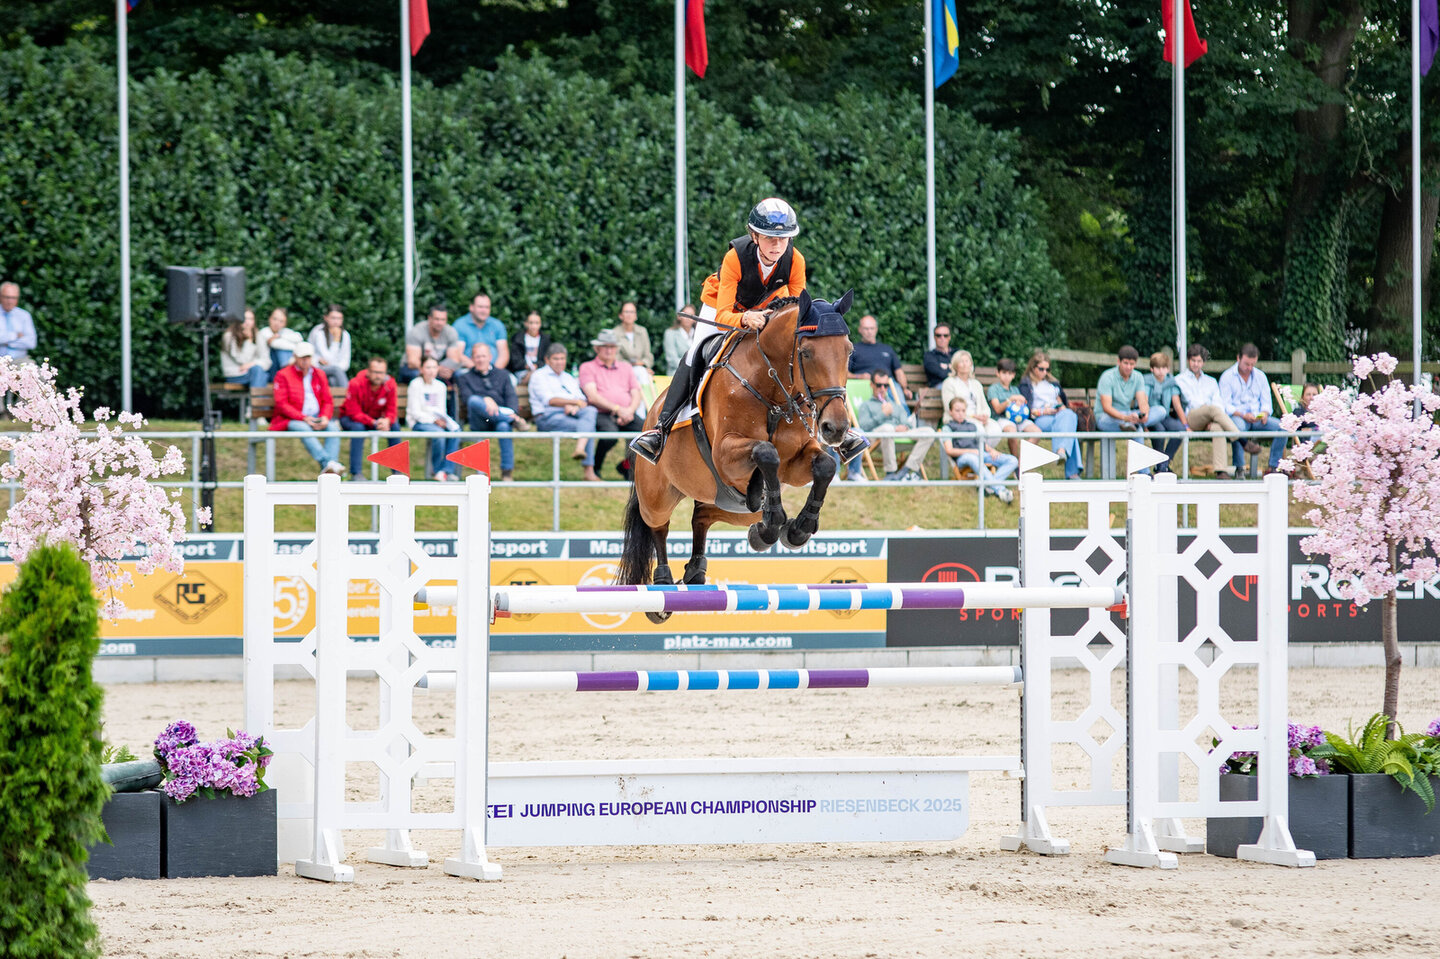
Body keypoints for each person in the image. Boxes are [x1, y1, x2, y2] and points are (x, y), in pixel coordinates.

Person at [630, 198, 866, 466]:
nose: (777, 245)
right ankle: (660, 430)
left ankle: (834, 432)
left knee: (797, 356)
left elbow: (797, 309)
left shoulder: (795, 259)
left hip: (766, 308)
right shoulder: (735, 257)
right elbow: (722, 317)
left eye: (784, 238)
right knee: (696, 352)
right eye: (769, 238)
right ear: (755, 235)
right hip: (720, 305)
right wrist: (745, 319)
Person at [529, 343, 603, 481]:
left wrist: (575, 407)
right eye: (556, 359)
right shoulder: (539, 376)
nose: (560, 362)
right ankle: (588, 471)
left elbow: (582, 400)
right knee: (588, 427)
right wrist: (572, 403)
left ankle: (580, 448)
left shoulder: (568, 377)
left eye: (562, 358)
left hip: (571, 414)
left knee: (590, 411)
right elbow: (549, 400)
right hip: (547, 418)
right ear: (547, 359)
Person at [270, 342, 343, 477]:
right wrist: (303, 417)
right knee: (303, 427)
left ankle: (329, 469)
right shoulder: (283, 375)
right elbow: (282, 404)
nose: (305, 360)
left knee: (333, 428)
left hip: (315, 417)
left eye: (308, 357)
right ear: (295, 357)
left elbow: (327, 400)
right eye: (302, 357)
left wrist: (325, 417)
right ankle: (328, 463)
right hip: (290, 419)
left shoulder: (319, 374)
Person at [579, 330, 641, 480]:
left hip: (627, 412)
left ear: (616, 348)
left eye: (612, 346)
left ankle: (626, 467)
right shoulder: (587, 367)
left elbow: (636, 392)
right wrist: (618, 410)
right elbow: (592, 396)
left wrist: (629, 411)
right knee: (609, 436)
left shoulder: (626, 367)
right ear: (597, 348)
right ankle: (596, 467)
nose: (609, 350)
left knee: (645, 433)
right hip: (601, 412)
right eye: (605, 346)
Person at [1220, 343, 1288, 476]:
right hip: (1238, 417)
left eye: (1252, 364)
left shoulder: (1260, 376)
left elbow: (1267, 402)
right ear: (1238, 358)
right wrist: (1242, 415)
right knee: (1236, 428)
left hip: (1258, 418)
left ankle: (1274, 467)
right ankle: (1239, 468)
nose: (1249, 368)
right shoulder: (1227, 377)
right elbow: (1225, 405)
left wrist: (1264, 414)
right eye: (1246, 364)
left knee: (1283, 426)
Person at [456, 342, 521, 481]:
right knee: (474, 400)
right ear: (472, 358)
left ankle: (506, 472)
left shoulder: (503, 375)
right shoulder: (464, 378)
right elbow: (467, 399)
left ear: (490, 357)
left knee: (504, 427)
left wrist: (513, 411)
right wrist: (486, 399)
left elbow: (511, 397)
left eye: (483, 356)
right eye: (477, 356)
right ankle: (510, 419)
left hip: (498, 422)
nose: (480, 360)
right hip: (479, 421)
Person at [1173, 344, 1241, 478]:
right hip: (1191, 419)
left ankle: (1221, 471)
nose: (1195, 364)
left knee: (1217, 427)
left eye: (1199, 361)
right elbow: (1193, 402)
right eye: (1193, 361)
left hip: (1211, 418)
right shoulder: (1180, 380)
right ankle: (1240, 439)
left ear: (1203, 362)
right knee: (1210, 408)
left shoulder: (1211, 381)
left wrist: (1211, 417)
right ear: (1188, 360)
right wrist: (1210, 413)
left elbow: (1219, 403)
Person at [855, 370, 936, 482]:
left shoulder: (894, 405)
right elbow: (864, 427)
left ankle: (906, 470)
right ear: (872, 385)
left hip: (900, 435)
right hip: (877, 438)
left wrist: (904, 427)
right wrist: (883, 414)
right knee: (887, 428)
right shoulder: (866, 405)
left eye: (886, 385)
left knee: (929, 432)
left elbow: (907, 422)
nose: (883, 389)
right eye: (879, 385)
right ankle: (891, 472)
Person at [1017, 350, 1082, 480]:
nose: (1044, 372)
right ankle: (1072, 473)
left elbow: (1063, 402)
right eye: (1041, 369)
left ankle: (1061, 451)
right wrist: (1043, 411)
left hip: (1058, 415)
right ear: (1033, 367)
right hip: (1040, 418)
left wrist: (1060, 407)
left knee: (1068, 415)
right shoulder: (1026, 384)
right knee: (1069, 427)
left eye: (1047, 369)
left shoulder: (1053, 383)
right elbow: (1027, 409)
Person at [940, 396, 1017, 502]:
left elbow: (982, 444)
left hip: (981, 453)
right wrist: (970, 451)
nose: (960, 413)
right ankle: (1001, 490)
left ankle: (988, 486)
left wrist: (992, 451)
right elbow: (949, 450)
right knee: (973, 458)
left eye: (963, 410)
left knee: (1012, 460)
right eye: (957, 410)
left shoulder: (972, 425)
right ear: (950, 411)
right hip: (964, 458)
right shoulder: (947, 428)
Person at [339, 357, 400, 480]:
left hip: (376, 419)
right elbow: (353, 412)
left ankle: (397, 473)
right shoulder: (355, 383)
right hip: (350, 418)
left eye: (381, 373)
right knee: (358, 427)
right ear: (368, 372)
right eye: (375, 372)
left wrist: (387, 420)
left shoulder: (390, 385)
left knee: (395, 426)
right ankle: (356, 473)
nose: (378, 376)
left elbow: (392, 410)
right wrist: (373, 422)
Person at [942, 350, 1016, 444]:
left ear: (971, 364)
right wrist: (974, 416)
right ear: (956, 365)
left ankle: (983, 454)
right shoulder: (949, 383)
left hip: (979, 418)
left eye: (967, 361)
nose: (965, 364)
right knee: (979, 429)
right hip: (962, 418)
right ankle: (978, 454)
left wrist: (985, 416)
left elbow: (984, 406)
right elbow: (950, 407)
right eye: (961, 361)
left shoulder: (976, 384)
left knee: (995, 429)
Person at [407, 356, 461, 481]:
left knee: (456, 432)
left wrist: (443, 421)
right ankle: (436, 470)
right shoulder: (415, 384)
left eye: (434, 367)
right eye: (428, 367)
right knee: (439, 434)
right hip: (418, 422)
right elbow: (415, 412)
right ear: (421, 369)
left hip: (437, 421)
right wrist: (433, 421)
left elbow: (441, 410)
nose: (431, 371)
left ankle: (446, 470)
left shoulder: (441, 386)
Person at [849, 314, 913, 408]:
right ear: (860, 330)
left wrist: (905, 388)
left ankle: (905, 421)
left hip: (888, 385)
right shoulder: (853, 349)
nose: (869, 332)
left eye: (872, 328)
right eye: (866, 328)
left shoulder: (887, 349)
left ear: (876, 329)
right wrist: (859, 376)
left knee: (899, 404)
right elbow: (844, 373)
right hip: (865, 385)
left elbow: (898, 371)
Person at [1096, 346, 1164, 433]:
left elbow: (1142, 401)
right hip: (1106, 417)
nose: (1128, 367)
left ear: (1135, 364)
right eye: (1125, 363)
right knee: (1138, 430)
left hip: (1129, 415)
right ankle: (1133, 425)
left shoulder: (1138, 376)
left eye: (1132, 364)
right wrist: (1125, 418)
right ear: (1119, 362)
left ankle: (1134, 424)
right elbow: (1106, 407)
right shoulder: (1107, 377)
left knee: (1160, 411)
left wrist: (1144, 414)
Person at [985, 357, 1043, 456]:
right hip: (1001, 419)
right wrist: (1010, 400)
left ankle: (1022, 458)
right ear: (998, 373)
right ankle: (1015, 462)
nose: (1007, 376)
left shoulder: (1015, 389)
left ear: (1013, 375)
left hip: (1018, 419)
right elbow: (997, 409)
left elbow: (1023, 406)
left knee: (1037, 432)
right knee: (1012, 431)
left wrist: (1021, 403)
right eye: (1004, 373)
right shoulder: (993, 389)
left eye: (1010, 373)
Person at [401, 303, 464, 386]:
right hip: (414, 369)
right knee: (416, 375)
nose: (440, 323)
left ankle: (451, 399)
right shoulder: (417, 331)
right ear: (429, 318)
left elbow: (454, 359)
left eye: (443, 320)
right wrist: (433, 369)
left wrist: (442, 370)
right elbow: (413, 362)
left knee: (458, 375)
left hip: (437, 369)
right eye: (437, 319)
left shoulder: (450, 332)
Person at [1143, 352, 1185, 472]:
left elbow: (1176, 404)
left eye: (1164, 368)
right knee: (1159, 430)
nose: (1161, 371)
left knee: (1180, 429)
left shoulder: (1171, 382)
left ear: (1168, 369)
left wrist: (1185, 424)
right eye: (1157, 368)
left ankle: (1164, 462)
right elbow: (1144, 401)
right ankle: (1159, 465)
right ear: (1152, 369)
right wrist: (1145, 421)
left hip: (1165, 416)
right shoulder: (1147, 381)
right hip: (1150, 416)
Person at [454, 294, 509, 371]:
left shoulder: (497, 325)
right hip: (468, 370)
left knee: (512, 380)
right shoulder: (460, 325)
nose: (484, 310)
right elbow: (457, 354)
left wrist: (494, 372)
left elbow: (503, 354)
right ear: (471, 307)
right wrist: (478, 370)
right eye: (480, 307)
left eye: (487, 307)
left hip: (494, 370)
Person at [219, 309, 269, 389]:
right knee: (260, 373)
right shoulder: (229, 336)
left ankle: (257, 400)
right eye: (245, 318)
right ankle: (258, 400)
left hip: (253, 372)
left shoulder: (258, 335)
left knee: (260, 372)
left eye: (251, 319)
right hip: (235, 375)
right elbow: (243, 360)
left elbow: (267, 361)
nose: (248, 322)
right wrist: (249, 341)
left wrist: (252, 364)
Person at [608, 301, 654, 383]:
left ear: (636, 316)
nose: (629, 315)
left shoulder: (642, 331)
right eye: (626, 312)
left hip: (642, 369)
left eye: (632, 312)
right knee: (640, 373)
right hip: (622, 370)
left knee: (642, 372)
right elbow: (615, 357)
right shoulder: (614, 333)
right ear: (620, 315)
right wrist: (634, 365)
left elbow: (648, 355)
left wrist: (643, 365)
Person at [308, 304, 352, 388]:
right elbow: (327, 357)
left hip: (336, 371)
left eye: (339, 318)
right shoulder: (318, 332)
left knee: (332, 379)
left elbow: (346, 363)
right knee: (335, 371)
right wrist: (336, 340)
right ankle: (348, 396)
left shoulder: (345, 335)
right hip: (317, 368)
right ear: (326, 318)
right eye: (333, 318)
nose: (336, 322)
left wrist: (334, 367)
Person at [257, 307, 304, 381]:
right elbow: (274, 344)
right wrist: (294, 346)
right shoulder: (263, 332)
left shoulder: (285, 332)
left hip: (285, 365)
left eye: (281, 321)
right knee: (280, 350)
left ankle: (289, 373)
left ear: (285, 324)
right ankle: (289, 374)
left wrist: (280, 336)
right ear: (270, 319)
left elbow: (299, 338)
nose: (277, 323)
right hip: (270, 369)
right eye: (275, 319)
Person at [0, 281, 38, 362]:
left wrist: (6, 342)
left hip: (20, 360)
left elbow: (31, 343)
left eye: (13, 298)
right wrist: (15, 335)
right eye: (7, 297)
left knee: (38, 374)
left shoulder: (24, 315)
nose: (10, 301)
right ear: (0, 297)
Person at [506, 311, 551, 377]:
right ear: (526, 323)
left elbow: (546, 359)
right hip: (521, 371)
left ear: (540, 324)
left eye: (536, 323)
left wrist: (536, 366)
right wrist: (528, 366)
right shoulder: (518, 338)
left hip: (540, 370)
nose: (534, 326)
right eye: (531, 323)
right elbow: (515, 360)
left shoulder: (545, 340)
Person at [663, 306, 697, 375]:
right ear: (679, 317)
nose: (688, 318)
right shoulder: (670, 333)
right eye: (685, 314)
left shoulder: (698, 335)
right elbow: (672, 359)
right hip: (676, 373)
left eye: (691, 316)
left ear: (695, 319)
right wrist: (691, 366)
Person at [922, 323, 954, 388]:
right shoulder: (929, 356)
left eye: (945, 335)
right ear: (934, 337)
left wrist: (946, 367)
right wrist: (952, 367)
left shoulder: (957, 353)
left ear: (949, 337)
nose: (942, 338)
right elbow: (940, 374)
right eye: (939, 335)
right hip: (940, 387)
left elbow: (970, 369)